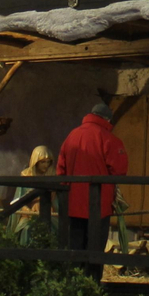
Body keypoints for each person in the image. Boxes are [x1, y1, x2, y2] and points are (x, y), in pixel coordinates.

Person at [56, 102, 127, 278]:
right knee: (95, 250)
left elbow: (61, 171)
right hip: (98, 206)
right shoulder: (109, 139)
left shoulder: (71, 136)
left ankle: (74, 289)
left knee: (75, 248)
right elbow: (119, 170)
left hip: (73, 205)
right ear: (107, 119)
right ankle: (92, 289)